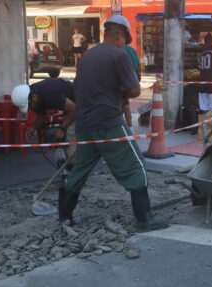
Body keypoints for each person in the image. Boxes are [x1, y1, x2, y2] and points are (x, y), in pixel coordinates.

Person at [60, 15, 168, 232]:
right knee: (136, 166)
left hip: (85, 125)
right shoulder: (119, 55)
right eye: (126, 40)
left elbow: (77, 90)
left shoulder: (88, 56)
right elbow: (135, 90)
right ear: (121, 34)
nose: (125, 44)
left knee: (79, 170)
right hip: (109, 121)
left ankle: (65, 217)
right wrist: (118, 93)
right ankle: (145, 220)